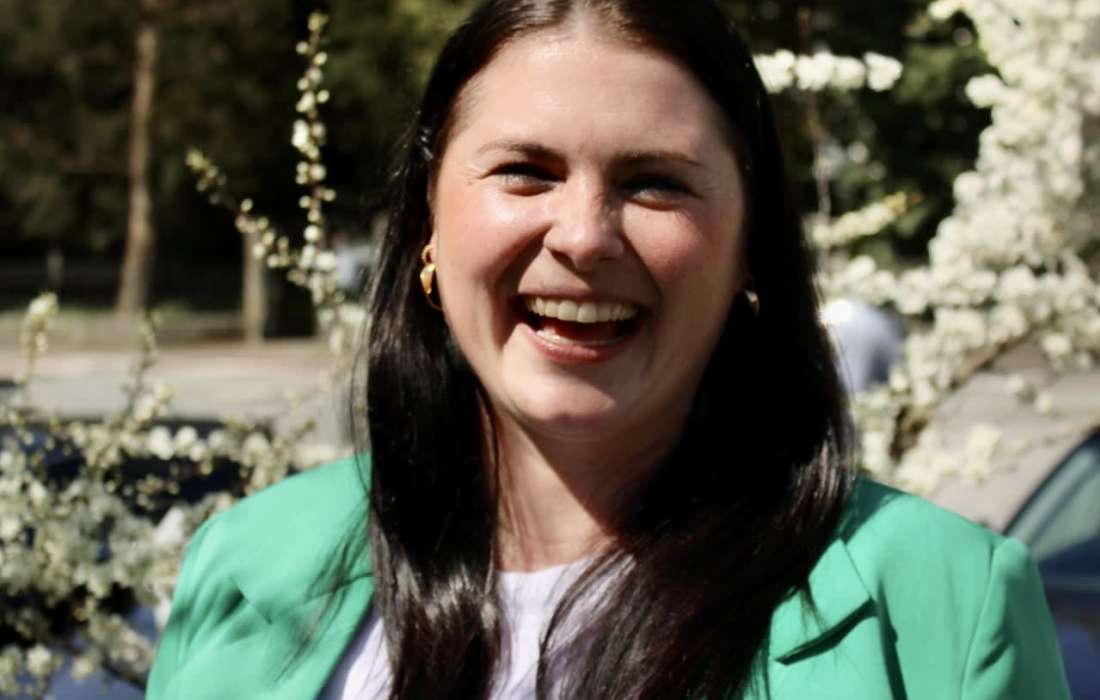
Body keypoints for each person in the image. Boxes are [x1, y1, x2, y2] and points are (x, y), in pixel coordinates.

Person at [146, 1, 1071, 698]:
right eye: (525, 172)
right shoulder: (247, 563)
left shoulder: (946, 604)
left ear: (749, 245)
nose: (584, 237)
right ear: (429, 219)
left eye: (655, 182)